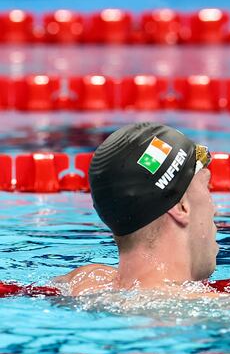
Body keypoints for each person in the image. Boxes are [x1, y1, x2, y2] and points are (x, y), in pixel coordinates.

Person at [56, 122, 218, 295]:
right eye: (206, 186)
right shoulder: (221, 307)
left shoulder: (82, 283)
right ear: (181, 207)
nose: (215, 209)